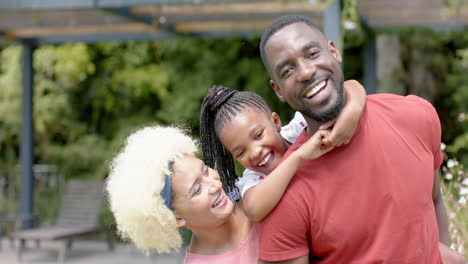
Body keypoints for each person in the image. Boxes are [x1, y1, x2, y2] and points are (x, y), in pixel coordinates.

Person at [254, 15, 466, 263]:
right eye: (288, 70)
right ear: (278, 90)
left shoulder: (416, 116)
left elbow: (434, 199)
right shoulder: (288, 194)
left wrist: (443, 254)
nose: (306, 72)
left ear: (334, 52)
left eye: (312, 54)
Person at [200, 81, 366, 221]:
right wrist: (298, 156)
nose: (255, 152)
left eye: (258, 135)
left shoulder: (300, 127)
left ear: (276, 121)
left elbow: (348, 86)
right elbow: (253, 209)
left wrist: (353, 109)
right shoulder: (255, 178)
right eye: (241, 153)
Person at [105, 126, 258, 263]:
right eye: (197, 190)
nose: (216, 185)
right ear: (176, 219)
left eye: (205, 170)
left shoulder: (257, 194)